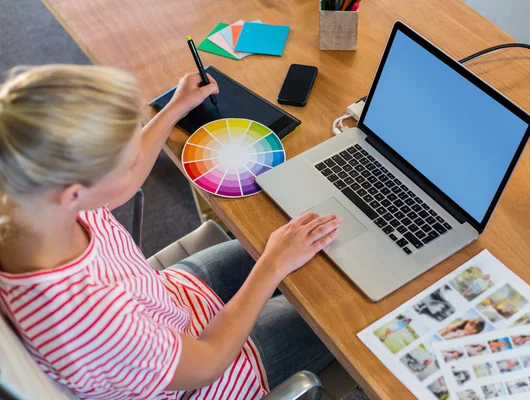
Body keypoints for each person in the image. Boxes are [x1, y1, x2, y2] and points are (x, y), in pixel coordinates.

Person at [0, 65, 344, 399]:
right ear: (73, 192)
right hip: (202, 373)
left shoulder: (31, 196)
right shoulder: (88, 318)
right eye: (124, 162)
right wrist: (271, 265)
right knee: (337, 306)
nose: (134, 165)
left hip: (167, 302)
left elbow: (122, 184)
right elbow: (209, 360)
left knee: (292, 241)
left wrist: (174, 109)